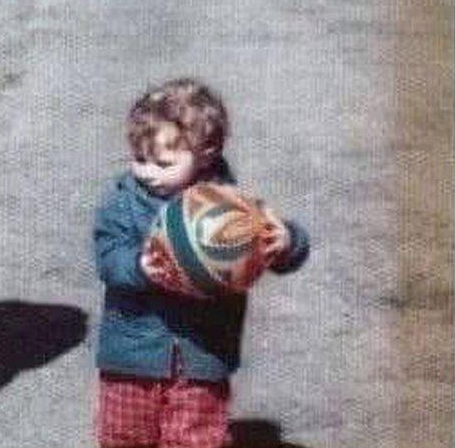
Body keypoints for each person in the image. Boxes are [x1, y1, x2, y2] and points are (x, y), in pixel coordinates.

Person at [92, 79, 309, 448]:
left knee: (196, 440)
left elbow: (277, 247)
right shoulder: (123, 203)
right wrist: (140, 267)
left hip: (203, 357)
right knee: (123, 437)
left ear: (207, 153)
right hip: (131, 357)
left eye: (163, 162)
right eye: (139, 159)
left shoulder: (229, 211)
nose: (147, 171)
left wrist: (286, 242)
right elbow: (108, 258)